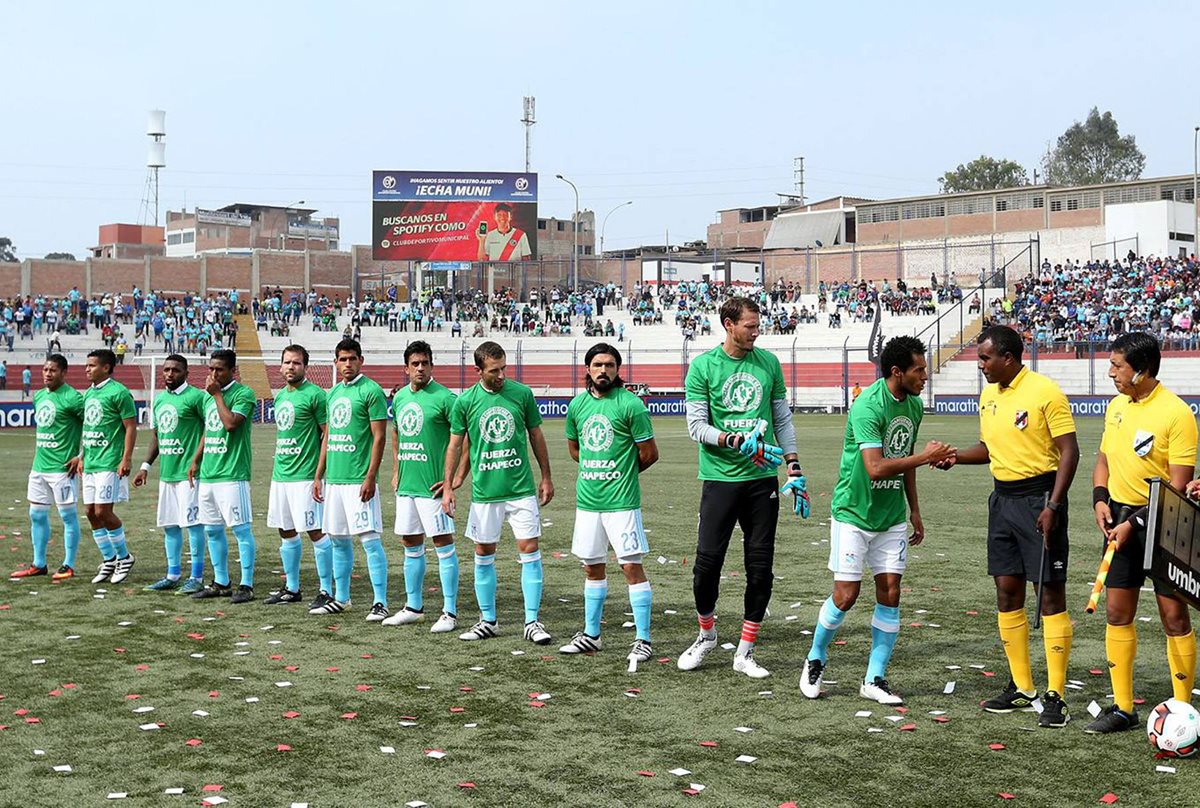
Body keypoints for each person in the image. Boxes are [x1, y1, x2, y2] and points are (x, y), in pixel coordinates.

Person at [933, 325, 1080, 728]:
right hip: (1002, 501)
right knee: (1006, 589)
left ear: (1008, 358)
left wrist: (1054, 503)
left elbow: (1070, 451)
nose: (980, 365)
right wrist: (955, 458)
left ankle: (1057, 695)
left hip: (1040, 501)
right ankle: (1022, 686)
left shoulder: (1045, 392)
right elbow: (989, 449)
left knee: (1048, 593)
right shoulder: (988, 395)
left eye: (985, 358)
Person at [800, 337, 953, 705]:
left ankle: (874, 678)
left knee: (891, 593)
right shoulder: (867, 405)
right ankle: (815, 657)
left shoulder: (913, 406)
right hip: (854, 513)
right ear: (897, 372)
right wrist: (925, 457)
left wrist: (914, 509)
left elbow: (905, 460)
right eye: (920, 369)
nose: (925, 376)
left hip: (891, 516)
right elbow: (875, 467)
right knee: (846, 595)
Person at [678, 296, 804, 679]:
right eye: (749, 326)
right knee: (706, 567)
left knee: (760, 567)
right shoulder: (702, 367)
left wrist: (793, 466)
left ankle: (745, 652)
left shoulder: (769, 363)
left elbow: (781, 419)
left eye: (757, 325)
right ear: (728, 324)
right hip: (719, 480)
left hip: (761, 481)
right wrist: (734, 440)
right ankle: (706, 635)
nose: (756, 331)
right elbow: (697, 427)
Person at [1087, 332, 1197, 734]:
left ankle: (1183, 711)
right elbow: (1102, 458)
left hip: (1164, 521)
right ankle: (1122, 707)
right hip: (1117, 518)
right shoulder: (1116, 407)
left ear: (1144, 370)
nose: (1111, 372)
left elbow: (1178, 486)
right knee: (1117, 612)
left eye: (1118, 366)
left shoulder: (1177, 413)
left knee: (1173, 615)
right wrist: (1100, 498)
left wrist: (1135, 523)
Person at [442, 341, 555, 645]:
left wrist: (546, 477)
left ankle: (532, 621)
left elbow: (536, 435)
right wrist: (449, 487)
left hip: (520, 489)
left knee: (529, 550)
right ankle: (487, 620)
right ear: (478, 370)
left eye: (504, 368)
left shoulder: (522, 394)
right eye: (495, 370)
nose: (502, 374)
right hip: (485, 492)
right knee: (483, 553)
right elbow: (454, 445)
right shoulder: (465, 402)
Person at [559, 343, 659, 667]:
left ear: (618, 369)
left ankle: (643, 639)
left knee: (630, 566)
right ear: (587, 368)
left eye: (610, 365)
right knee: (592, 567)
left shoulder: (631, 405)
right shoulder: (576, 406)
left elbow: (649, 453)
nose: (604, 370)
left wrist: (621, 474)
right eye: (598, 364)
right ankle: (591, 634)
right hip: (588, 502)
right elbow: (576, 450)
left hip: (621, 502)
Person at [382, 341, 463, 633]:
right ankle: (413, 607)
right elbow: (396, 434)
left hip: (433, 486)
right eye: (414, 363)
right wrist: (395, 470)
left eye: (424, 363)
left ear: (431, 366)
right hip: (407, 485)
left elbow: (464, 440)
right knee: (410, 544)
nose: (419, 368)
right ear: (406, 368)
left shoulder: (446, 399)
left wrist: (455, 479)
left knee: (443, 544)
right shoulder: (401, 398)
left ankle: (450, 612)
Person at [311, 339, 390, 620]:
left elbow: (379, 437)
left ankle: (380, 602)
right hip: (334, 480)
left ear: (361, 361)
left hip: (359, 479)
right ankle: (342, 598)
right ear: (335, 363)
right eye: (342, 359)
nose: (347, 364)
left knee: (369, 540)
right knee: (338, 540)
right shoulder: (331, 394)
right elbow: (328, 436)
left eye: (352, 359)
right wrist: (319, 475)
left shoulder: (371, 392)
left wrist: (370, 477)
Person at [133, 354, 208, 594]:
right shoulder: (160, 400)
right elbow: (157, 436)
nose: (169, 374)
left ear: (186, 373)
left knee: (194, 524)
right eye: (166, 370)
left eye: (175, 370)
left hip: (189, 475)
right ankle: (172, 574)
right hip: (167, 474)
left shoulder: (197, 397)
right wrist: (146, 466)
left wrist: (197, 460)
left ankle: (196, 576)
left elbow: (211, 428)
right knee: (170, 525)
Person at [189, 350, 258, 604]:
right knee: (212, 530)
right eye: (211, 369)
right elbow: (211, 428)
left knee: (241, 530)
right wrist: (196, 458)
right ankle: (221, 582)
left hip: (232, 474)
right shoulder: (209, 398)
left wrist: (217, 395)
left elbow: (230, 423)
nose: (213, 374)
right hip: (209, 475)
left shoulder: (243, 394)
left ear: (233, 371)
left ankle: (247, 585)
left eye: (219, 370)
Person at [266, 345, 330, 607]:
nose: (291, 367)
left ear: (305, 367)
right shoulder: (280, 396)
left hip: (305, 476)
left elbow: (327, 434)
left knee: (315, 531)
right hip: (281, 475)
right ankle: (292, 588)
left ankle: (326, 589)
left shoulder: (316, 395)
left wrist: (318, 475)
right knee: (286, 530)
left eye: (296, 363)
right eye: (287, 362)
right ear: (280, 366)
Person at [10, 355, 84, 581]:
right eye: (45, 370)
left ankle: (68, 565)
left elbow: (93, 426)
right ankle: (38, 563)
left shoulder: (74, 398)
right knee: (36, 514)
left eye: (52, 370)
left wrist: (81, 456)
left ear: (64, 372)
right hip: (39, 467)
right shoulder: (39, 396)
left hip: (62, 469)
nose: (47, 374)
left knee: (68, 516)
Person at [80, 349, 138, 585]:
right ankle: (109, 559)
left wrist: (126, 459)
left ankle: (125, 557)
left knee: (104, 512)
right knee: (90, 513)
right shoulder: (88, 394)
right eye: (87, 365)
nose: (87, 369)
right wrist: (82, 455)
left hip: (109, 462)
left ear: (106, 367)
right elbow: (87, 427)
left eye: (92, 365)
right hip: (91, 461)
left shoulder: (120, 392)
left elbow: (131, 427)